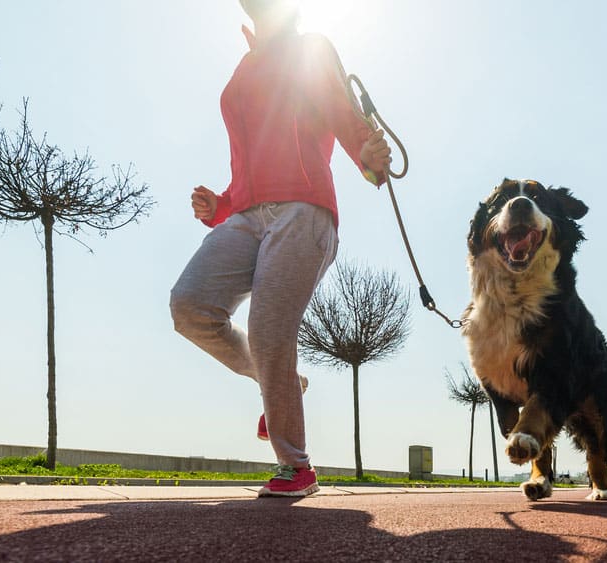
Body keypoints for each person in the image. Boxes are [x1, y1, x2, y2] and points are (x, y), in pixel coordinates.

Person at [169, 0, 391, 497]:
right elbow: (251, 156)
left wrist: (369, 160)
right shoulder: (245, 63)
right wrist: (220, 205)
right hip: (248, 215)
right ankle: (281, 383)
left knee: (269, 329)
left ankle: (297, 466)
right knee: (189, 307)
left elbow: (340, 108)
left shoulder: (310, 48)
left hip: (304, 209)